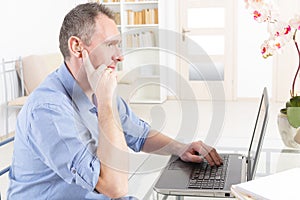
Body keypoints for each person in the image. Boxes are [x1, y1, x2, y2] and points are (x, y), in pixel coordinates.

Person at [7, 2, 223, 200]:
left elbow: (139, 134)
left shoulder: (96, 88)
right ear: (77, 47)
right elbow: (115, 188)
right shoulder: (48, 109)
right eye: (110, 45)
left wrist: (181, 148)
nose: (120, 56)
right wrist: (106, 104)